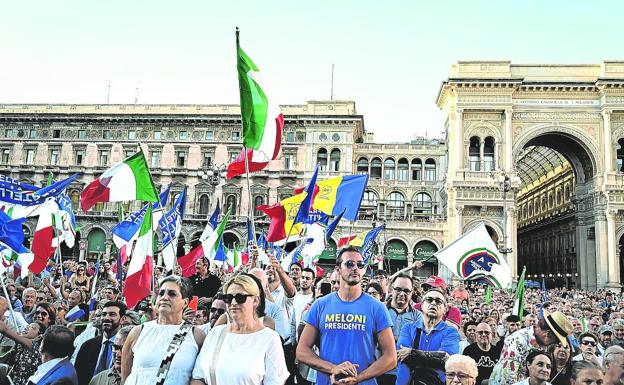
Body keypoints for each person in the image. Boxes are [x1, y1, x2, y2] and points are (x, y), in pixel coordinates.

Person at [297, 246, 396, 385]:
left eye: (360, 264)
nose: (355, 268)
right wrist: (333, 368)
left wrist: (358, 378)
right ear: (338, 269)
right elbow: (302, 351)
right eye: (349, 264)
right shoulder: (320, 305)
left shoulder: (377, 308)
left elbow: (391, 358)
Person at [190, 274, 289, 385]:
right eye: (228, 298)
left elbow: (275, 382)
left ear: (255, 301)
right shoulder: (215, 333)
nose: (233, 303)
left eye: (240, 298)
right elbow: (198, 377)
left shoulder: (269, 338)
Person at [121, 276, 205, 385]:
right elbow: (125, 376)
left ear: (185, 302)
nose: (164, 297)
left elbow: (200, 377)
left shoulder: (196, 335)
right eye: (161, 293)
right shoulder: (138, 332)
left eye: (172, 294)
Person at [396, 283, 460, 385]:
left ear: (445, 309)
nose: (433, 303)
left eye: (438, 301)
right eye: (429, 300)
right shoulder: (408, 328)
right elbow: (402, 355)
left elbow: (447, 359)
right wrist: (433, 358)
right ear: (421, 306)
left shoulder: (451, 332)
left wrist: (412, 353)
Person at [489, 311, 573, 385]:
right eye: (555, 341)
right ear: (548, 334)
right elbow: (507, 377)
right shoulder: (518, 340)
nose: (554, 344)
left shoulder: (541, 344)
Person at [378, 273, 422, 385]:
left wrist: (385, 338)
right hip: (378, 371)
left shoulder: (418, 316)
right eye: (398, 289)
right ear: (391, 289)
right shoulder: (379, 310)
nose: (402, 294)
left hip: (406, 374)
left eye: (406, 291)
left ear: (412, 293)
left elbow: (416, 343)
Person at [74, 301, 126, 385]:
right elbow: (78, 376)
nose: (106, 318)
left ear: (122, 319)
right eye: (104, 314)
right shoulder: (87, 346)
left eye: (112, 314)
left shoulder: (127, 347)